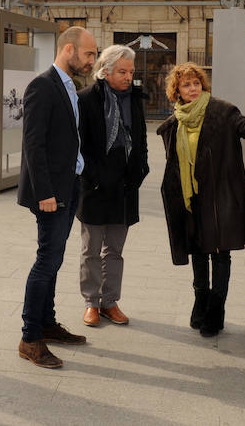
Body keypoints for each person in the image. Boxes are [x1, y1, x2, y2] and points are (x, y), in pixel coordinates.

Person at [157, 63, 245, 337]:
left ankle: (216, 310)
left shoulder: (222, 111)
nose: (193, 89)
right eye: (186, 85)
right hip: (191, 198)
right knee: (198, 251)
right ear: (177, 91)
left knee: (220, 253)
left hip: (219, 196)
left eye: (196, 83)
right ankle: (200, 301)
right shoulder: (176, 122)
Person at [17, 26, 97, 369]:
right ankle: (30, 338)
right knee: (46, 261)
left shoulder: (70, 87)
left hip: (69, 185)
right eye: (89, 53)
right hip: (51, 193)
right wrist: (45, 193)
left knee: (55, 259)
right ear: (68, 50)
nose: (92, 60)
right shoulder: (42, 85)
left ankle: (47, 323)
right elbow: (33, 145)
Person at [77, 45, 149, 327]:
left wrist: (141, 169)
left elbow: (141, 138)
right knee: (91, 249)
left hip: (125, 185)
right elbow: (79, 144)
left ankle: (109, 302)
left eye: (131, 71)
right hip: (95, 186)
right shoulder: (86, 99)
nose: (128, 77)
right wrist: (93, 177)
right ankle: (91, 302)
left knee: (115, 250)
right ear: (105, 71)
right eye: (122, 71)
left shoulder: (135, 99)